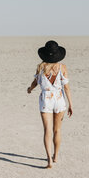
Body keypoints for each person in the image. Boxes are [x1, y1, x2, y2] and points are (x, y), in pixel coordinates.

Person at [27, 40, 73, 169]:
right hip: (59, 99)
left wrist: (30, 89)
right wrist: (71, 104)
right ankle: (56, 156)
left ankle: (49, 161)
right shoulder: (62, 67)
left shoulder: (41, 67)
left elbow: (35, 82)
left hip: (46, 99)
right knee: (57, 130)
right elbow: (67, 87)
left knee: (47, 130)